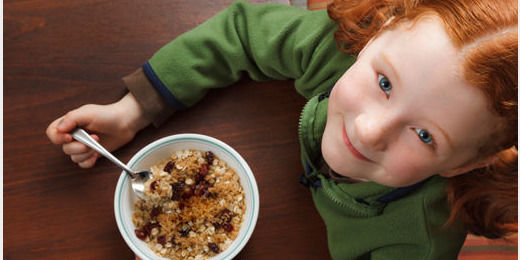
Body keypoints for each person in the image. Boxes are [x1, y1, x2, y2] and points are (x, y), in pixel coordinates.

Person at [46, 0, 518, 258]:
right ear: (379, 31)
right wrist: (132, 110)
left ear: (469, 163)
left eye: (425, 136)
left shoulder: (419, 241)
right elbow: (242, 32)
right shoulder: (333, 52)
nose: (371, 130)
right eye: (383, 82)